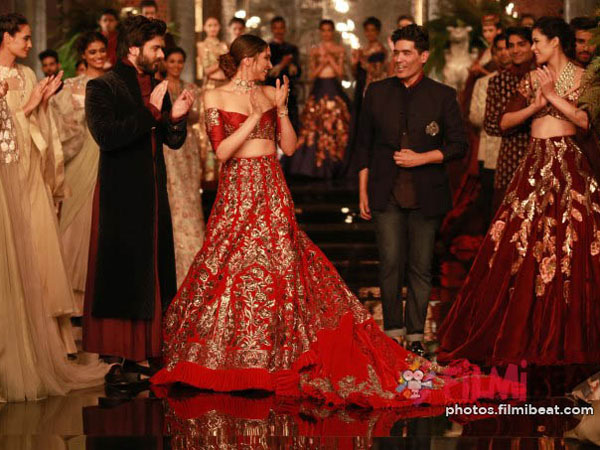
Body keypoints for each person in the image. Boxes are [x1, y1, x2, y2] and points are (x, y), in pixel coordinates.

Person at [150, 34, 517, 407]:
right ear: (249, 60)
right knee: (232, 268)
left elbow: (289, 147)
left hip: (271, 187)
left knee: (281, 269)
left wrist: (281, 110)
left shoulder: (270, 93)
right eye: (264, 59)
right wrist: (258, 115)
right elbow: (223, 150)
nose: (269, 65)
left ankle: (275, 352)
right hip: (238, 191)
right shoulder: (215, 95)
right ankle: (237, 354)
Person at [438, 17, 600, 366]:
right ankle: (521, 331)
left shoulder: (584, 77)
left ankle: (563, 333)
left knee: (570, 246)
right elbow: (504, 122)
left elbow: (586, 121)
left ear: (555, 42)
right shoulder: (532, 77)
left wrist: (552, 95)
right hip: (533, 164)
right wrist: (536, 105)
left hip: (569, 165)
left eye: (538, 41)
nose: (533, 48)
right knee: (519, 246)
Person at [0, 12, 107, 402]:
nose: (30, 45)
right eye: (24, 38)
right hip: (4, 176)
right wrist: (27, 107)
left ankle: (44, 345)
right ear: (5, 37)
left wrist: (40, 104)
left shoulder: (28, 74)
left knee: (37, 253)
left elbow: (41, 129)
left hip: (29, 172)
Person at [83, 15, 193, 386]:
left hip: (153, 191)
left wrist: (176, 119)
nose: (162, 54)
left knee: (154, 267)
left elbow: (171, 141)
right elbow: (107, 136)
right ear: (133, 48)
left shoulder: (158, 86)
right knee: (123, 270)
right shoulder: (103, 86)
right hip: (121, 193)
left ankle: (149, 351)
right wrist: (150, 112)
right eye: (156, 48)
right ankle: (119, 359)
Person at [357, 24, 467, 357]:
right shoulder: (377, 92)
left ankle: (416, 335)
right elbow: (363, 145)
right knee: (390, 263)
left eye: (407, 53)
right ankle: (393, 334)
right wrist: (362, 191)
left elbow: (458, 146)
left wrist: (422, 158)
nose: (399, 59)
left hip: (426, 192)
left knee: (420, 266)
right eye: (396, 53)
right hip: (385, 189)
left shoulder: (442, 95)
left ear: (423, 56)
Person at [49, 31, 107, 316]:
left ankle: (99, 298)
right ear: (83, 55)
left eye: (101, 51)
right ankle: (72, 303)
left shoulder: (114, 83)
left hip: (106, 156)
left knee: (100, 223)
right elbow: (56, 121)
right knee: (74, 223)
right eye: (92, 52)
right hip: (78, 156)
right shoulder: (71, 85)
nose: (98, 56)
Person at [162, 46, 205, 286]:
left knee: (189, 194)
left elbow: (198, 117)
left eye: (180, 61)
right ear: (165, 63)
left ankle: (193, 255)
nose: (176, 66)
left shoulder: (191, 88)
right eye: (172, 61)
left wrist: (188, 110)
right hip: (169, 144)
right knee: (171, 193)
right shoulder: (160, 87)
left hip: (188, 145)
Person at [287, 19, 350, 179]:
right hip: (319, 87)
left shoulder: (339, 49)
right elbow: (311, 75)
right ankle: (314, 167)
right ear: (320, 32)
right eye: (324, 30)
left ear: (333, 32)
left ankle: (335, 165)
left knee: (337, 123)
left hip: (333, 87)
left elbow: (341, 73)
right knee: (313, 124)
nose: (326, 33)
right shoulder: (314, 50)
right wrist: (323, 63)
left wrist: (330, 60)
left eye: (329, 30)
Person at [483, 27, 535, 208]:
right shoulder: (499, 81)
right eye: (511, 46)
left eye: (521, 44)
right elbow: (491, 125)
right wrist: (523, 118)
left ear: (532, 45)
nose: (515, 50)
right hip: (511, 156)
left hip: (541, 155)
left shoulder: (545, 75)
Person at [468, 33, 512, 228]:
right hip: (489, 151)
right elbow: (476, 117)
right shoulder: (484, 82)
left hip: (516, 150)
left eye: (506, 48)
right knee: (490, 202)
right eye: (498, 50)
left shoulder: (527, 79)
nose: (503, 53)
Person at [345, 16, 387, 177]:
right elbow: (356, 74)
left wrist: (362, 60)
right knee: (360, 126)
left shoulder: (380, 50)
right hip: (361, 89)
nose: (370, 33)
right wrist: (354, 62)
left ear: (378, 31)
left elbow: (377, 72)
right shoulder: (363, 49)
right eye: (367, 30)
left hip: (373, 91)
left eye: (373, 30)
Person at [196, 16, 228, 183]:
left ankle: (223, 171)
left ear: (219, 26)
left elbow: (229, 68)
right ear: (204, 27)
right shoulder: (201, 45)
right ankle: (209, 173)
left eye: (215, 25)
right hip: (210, 87)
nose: (213, 28)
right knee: (209, 126)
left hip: (225, 87)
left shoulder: (224, 45)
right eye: (209, 25)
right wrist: (222, 61)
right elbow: (207, 70)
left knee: (225, 126)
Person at [265, 16, 301, 133]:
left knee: (291, 123)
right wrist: (283, 64)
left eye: (281, 28)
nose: (279, 31)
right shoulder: (267, 49)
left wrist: (290, 65)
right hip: (272, 91)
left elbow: (297, 72)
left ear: (285, 29)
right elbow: (268, 73)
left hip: (290, 92)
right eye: (276, 28)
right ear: (272, 29)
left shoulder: (292, 49)